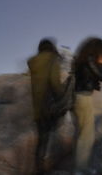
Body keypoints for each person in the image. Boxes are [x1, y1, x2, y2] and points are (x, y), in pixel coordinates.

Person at [28, 38, 64, 175]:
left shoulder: (34, 63)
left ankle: (39, 168)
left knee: (42, 139)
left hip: (38, 107)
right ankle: (50, 167)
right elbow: (55, 84)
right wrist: (63, 96)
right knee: (53, 135)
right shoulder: (52, 60)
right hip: (50, 106)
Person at [72, 37, 102, 174]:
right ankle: (80, 169)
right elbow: (100, 76)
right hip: (83, 97)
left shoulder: (80, 59)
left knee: (79, 133)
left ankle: (78, 167)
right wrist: (101, 63)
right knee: (86, 135)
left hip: (76, 97)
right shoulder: (91, 60)